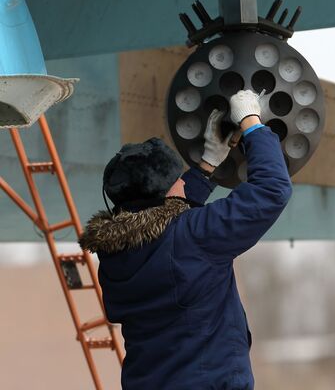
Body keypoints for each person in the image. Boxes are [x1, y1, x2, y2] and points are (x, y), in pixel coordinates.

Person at [79, 89, 292, 390]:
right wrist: (252, 123)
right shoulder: (191, 237)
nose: (182, 183)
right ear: (165, 194)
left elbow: (164, 227)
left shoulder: (115, 258)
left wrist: (206, 168)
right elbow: (272, 190)